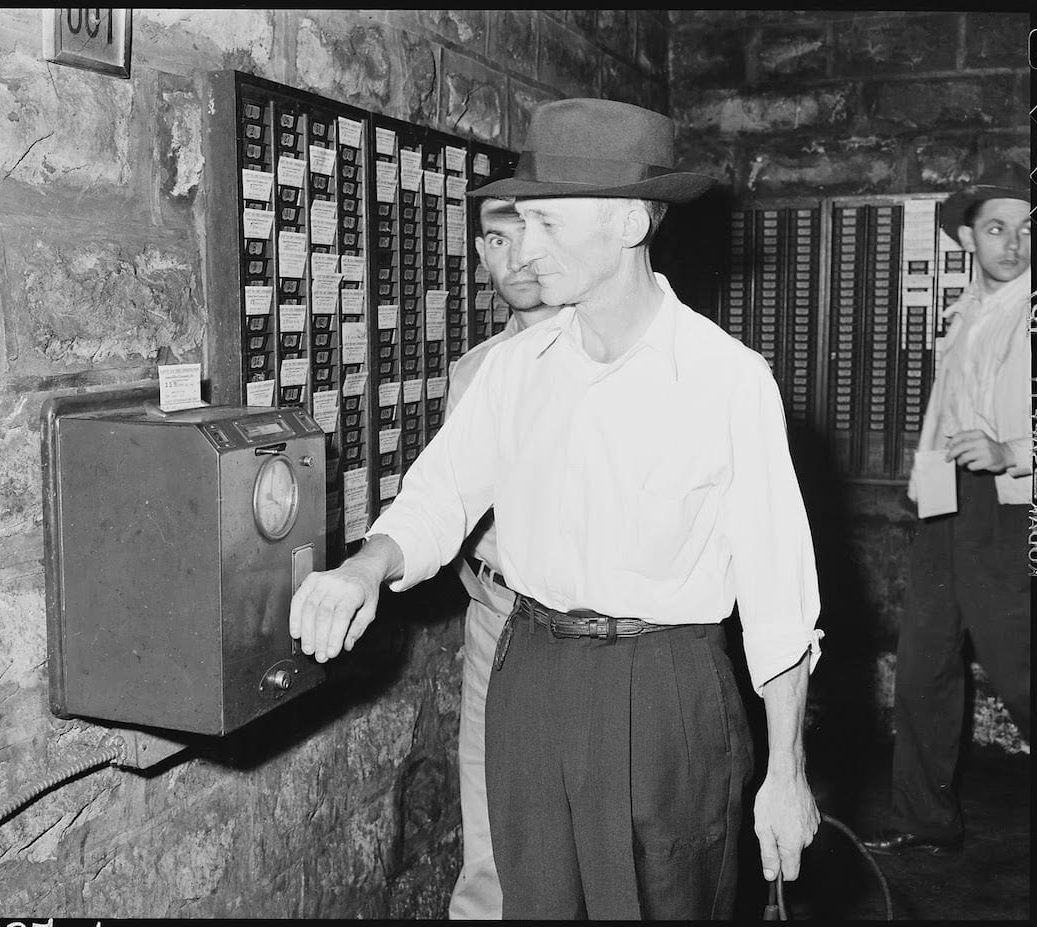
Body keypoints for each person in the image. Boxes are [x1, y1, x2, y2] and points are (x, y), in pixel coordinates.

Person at [290, 98, 823, 919]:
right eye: (520, 224)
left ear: (629, 223)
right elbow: (439, 492)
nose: (525, 252)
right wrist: (367, 566)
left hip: (664, 692)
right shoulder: (517, 370)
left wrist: (785, 774)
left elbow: (778, 597)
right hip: (531, 671)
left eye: (545, 224)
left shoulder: (725, 380)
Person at [863, 163, 1031, 857]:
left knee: (1019, 667)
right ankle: (924, 817)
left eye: (1027, 231)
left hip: (1008, 504)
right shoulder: (966, 310)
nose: (1014, 244)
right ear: (969, 235)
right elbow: (947, 408)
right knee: (924, 661)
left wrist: (1013, 447)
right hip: (944, 500)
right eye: (997, 228)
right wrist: (921, 480)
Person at [447, 196, 560, 920]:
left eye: (528, 238)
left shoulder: (604, 360)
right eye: (495, 240)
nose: (513, 258)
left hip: (578, 623)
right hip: (493, 612)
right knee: (486, 822)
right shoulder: (475, 369)